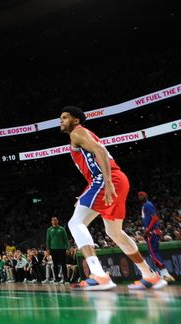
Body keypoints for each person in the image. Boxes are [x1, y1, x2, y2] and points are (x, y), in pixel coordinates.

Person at [59, 106, 167, 291]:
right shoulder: (82, 134)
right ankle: (150, 276)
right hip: (115, 179)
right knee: (114, 233)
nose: (61, 121)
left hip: (107, 179)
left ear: (76, 120)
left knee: (75, 223)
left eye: (65, 117)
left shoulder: (77, 133)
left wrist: (107, 182)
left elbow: (100, 151)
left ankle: (99, 275)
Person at [137, 191, 175, 282]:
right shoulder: (144, 206)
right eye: (139, 195)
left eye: (142, 194)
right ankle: (164, 274)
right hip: (151, 232)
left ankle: (165, 274)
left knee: (153, 253)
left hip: (151, 232)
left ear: (146, 195)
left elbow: (155, 218)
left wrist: (147, 230)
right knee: (155, 253)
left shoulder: (148, 204)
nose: (140, 196)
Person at [46, 216, 70, 284]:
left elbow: (66, 239)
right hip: (53, 250)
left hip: (62, 249)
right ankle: (56, 279)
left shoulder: (62, 229)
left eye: (55, 220)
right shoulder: (49, 230)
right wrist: (48, 249)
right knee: (55, 265)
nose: (54, 221)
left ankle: (65, 279)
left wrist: (68, 248)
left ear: (57, 221)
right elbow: (48, 240)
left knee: (63, 264)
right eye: (53, 220)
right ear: (51, 222)